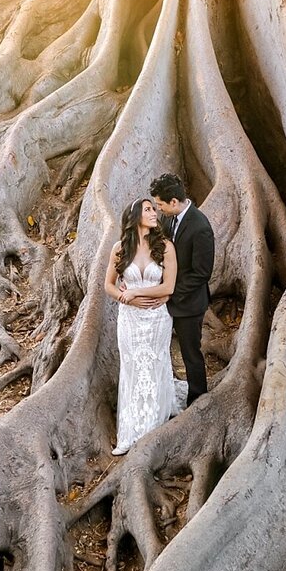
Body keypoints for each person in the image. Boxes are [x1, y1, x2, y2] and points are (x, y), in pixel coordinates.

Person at [105, 198, 186, 456]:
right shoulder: (120, 249)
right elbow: (109, 285)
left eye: (154, 208)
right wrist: (122, 296)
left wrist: (136, 295)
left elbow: (168, 288)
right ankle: (129, 432)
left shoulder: (165, 247)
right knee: (132, 368)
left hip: (156, 317)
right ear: (134, 216)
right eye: (148, 209)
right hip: (129, 319)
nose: (153, 213)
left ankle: (152, 427)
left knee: (153, 364)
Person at [149, 173, 214, 406]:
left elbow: (202, 272)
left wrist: (170, 292)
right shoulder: (169, 220)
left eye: (160, 204)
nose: (158, 209)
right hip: (164, 299)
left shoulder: (200, 227)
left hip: (189, 304)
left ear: (173, 202)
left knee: (190, 353)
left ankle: (198, 398)